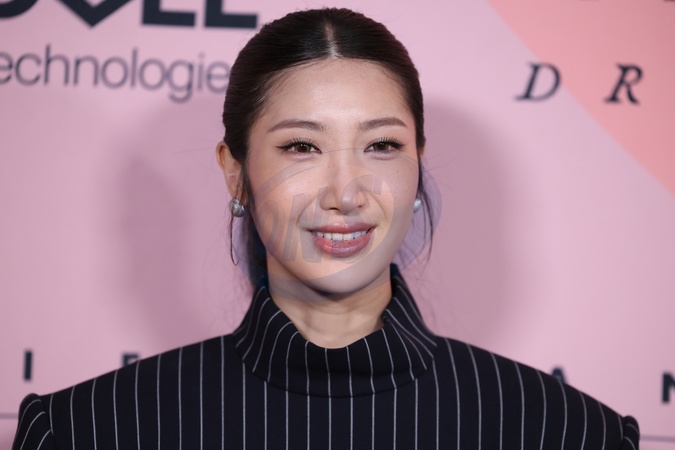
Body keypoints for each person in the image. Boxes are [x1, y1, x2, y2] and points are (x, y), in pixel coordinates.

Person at [13, 7, 639, 450]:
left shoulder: (566, 432)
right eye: (301, 147)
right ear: (235, 172)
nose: (345, 194)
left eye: (382, 146)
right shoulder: (88, 430)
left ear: (418, 163)